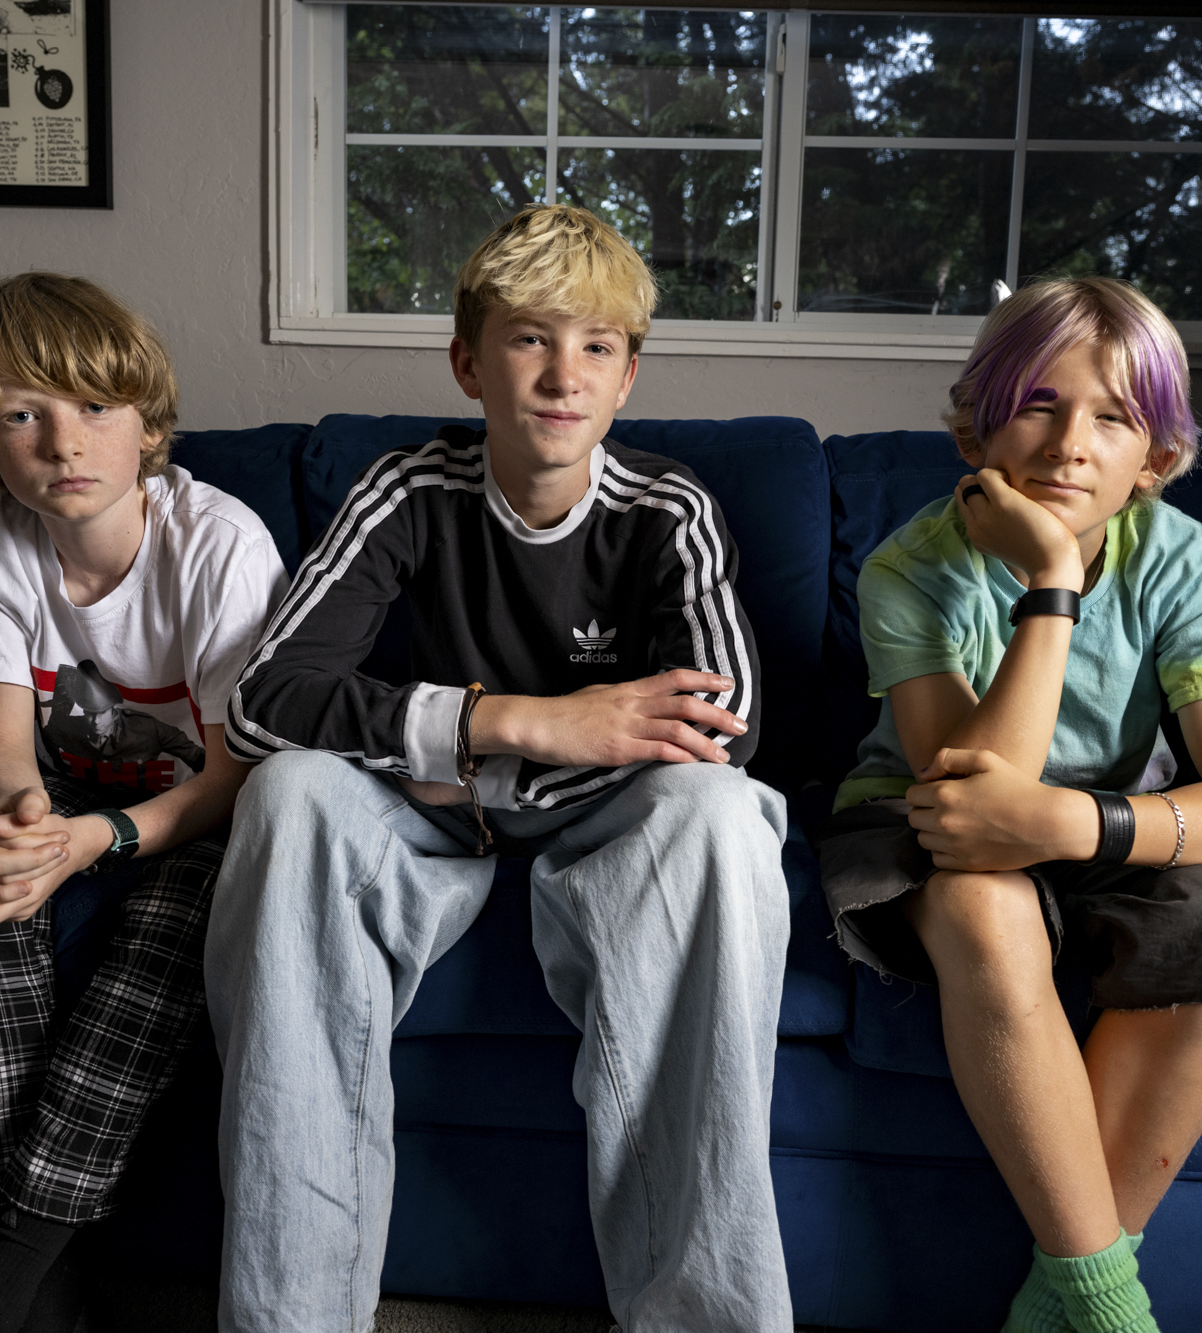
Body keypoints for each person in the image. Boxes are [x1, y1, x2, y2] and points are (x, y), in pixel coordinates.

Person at [206, 205, 794, 1333]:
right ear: (468, 362)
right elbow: (264, 699)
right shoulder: (403, 487)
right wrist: (524, 721)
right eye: (528, 339)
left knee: (721, 813)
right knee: (290, 791)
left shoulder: (668, 508)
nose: (560, 375)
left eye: (595, 346)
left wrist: (504, 769)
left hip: (606, 829)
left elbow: (726, 724)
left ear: (627, 375)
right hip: (432, 822)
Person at [819, 277, 1202, 1333]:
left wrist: (1082, 824)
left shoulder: (1181, 563)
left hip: (1099, 821)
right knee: (978, 902)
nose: (1067, 444)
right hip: (923, 818)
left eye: (1111, 417)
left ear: (1157, 459)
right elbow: (966, 801)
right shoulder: (911, 568)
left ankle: (1067, 1296)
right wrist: (1050, 581)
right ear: (974, 428)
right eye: (1036, 404)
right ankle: (1108, 1311)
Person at [0, 272, 288, 1333]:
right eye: (22, 415)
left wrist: (102, 839)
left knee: (184, 910)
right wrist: (15, 828)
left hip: (202, 803)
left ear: (149, 426)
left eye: (93, 410)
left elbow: (238, 774)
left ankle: (17, 1256)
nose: (62, 445)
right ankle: (52, 1280)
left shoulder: (217, 544)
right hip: (66, 792)